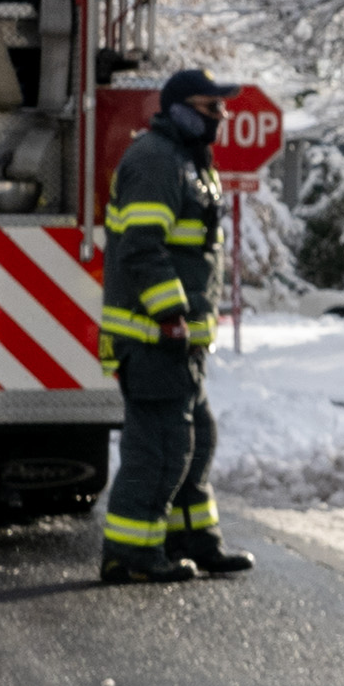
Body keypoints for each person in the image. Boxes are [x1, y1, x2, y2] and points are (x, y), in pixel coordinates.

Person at [96, 70, 257, 586]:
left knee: (196, 440)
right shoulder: (155, 161)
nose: (221, 117)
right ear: (181, 109)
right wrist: (170, 317)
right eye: (212, 108)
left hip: (179, 343)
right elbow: (142, 248)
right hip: (154, 338)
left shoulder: (190, 162)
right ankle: (131, 554)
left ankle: (192, 540)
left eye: (222, 109)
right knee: (160, 447)